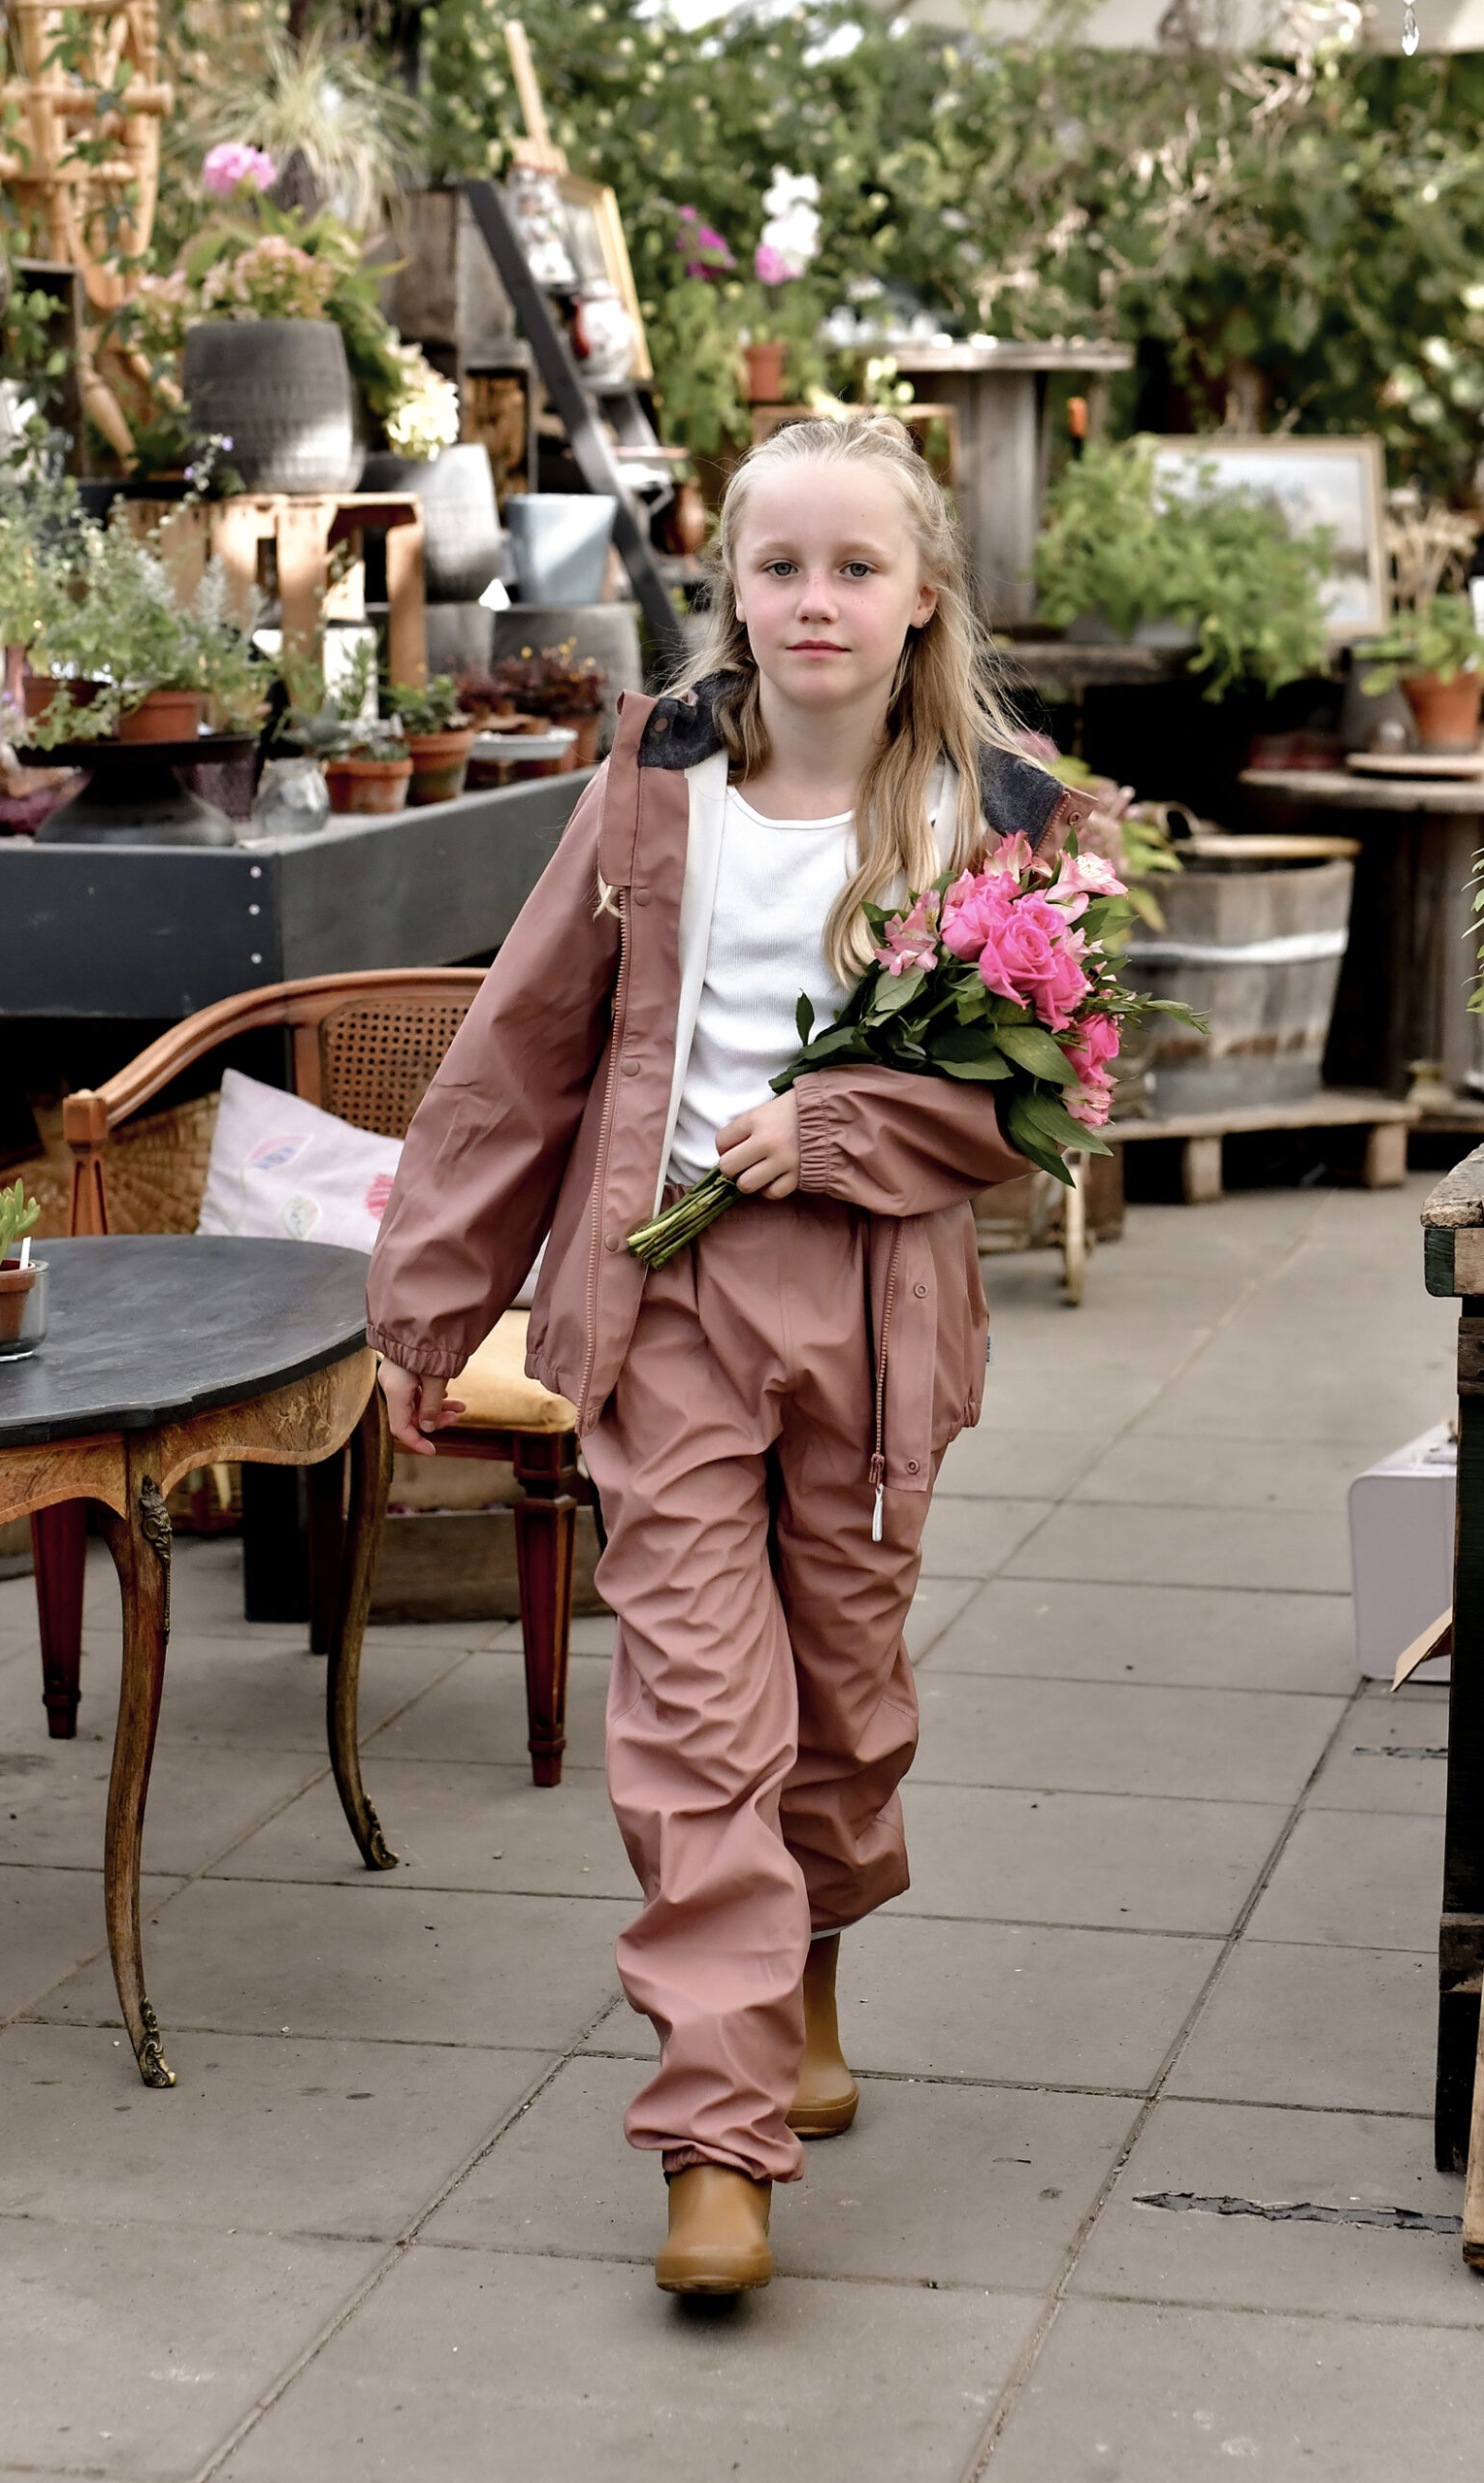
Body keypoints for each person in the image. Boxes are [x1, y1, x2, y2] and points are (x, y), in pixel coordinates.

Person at [366, 413, 1095, 2297]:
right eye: (780, 565)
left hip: (874, 1316)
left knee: (842, 1699)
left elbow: (1047, 1100)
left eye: (855, 565)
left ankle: (809, 1959)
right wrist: (432, 1306)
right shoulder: (654, 785)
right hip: (666, 1302)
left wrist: (843, 1127)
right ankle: (716, 2128)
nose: (814, 599)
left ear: (921, 594)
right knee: (698, 1712)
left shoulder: (1008, 817)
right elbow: (522, 1047)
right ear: (734, 590)